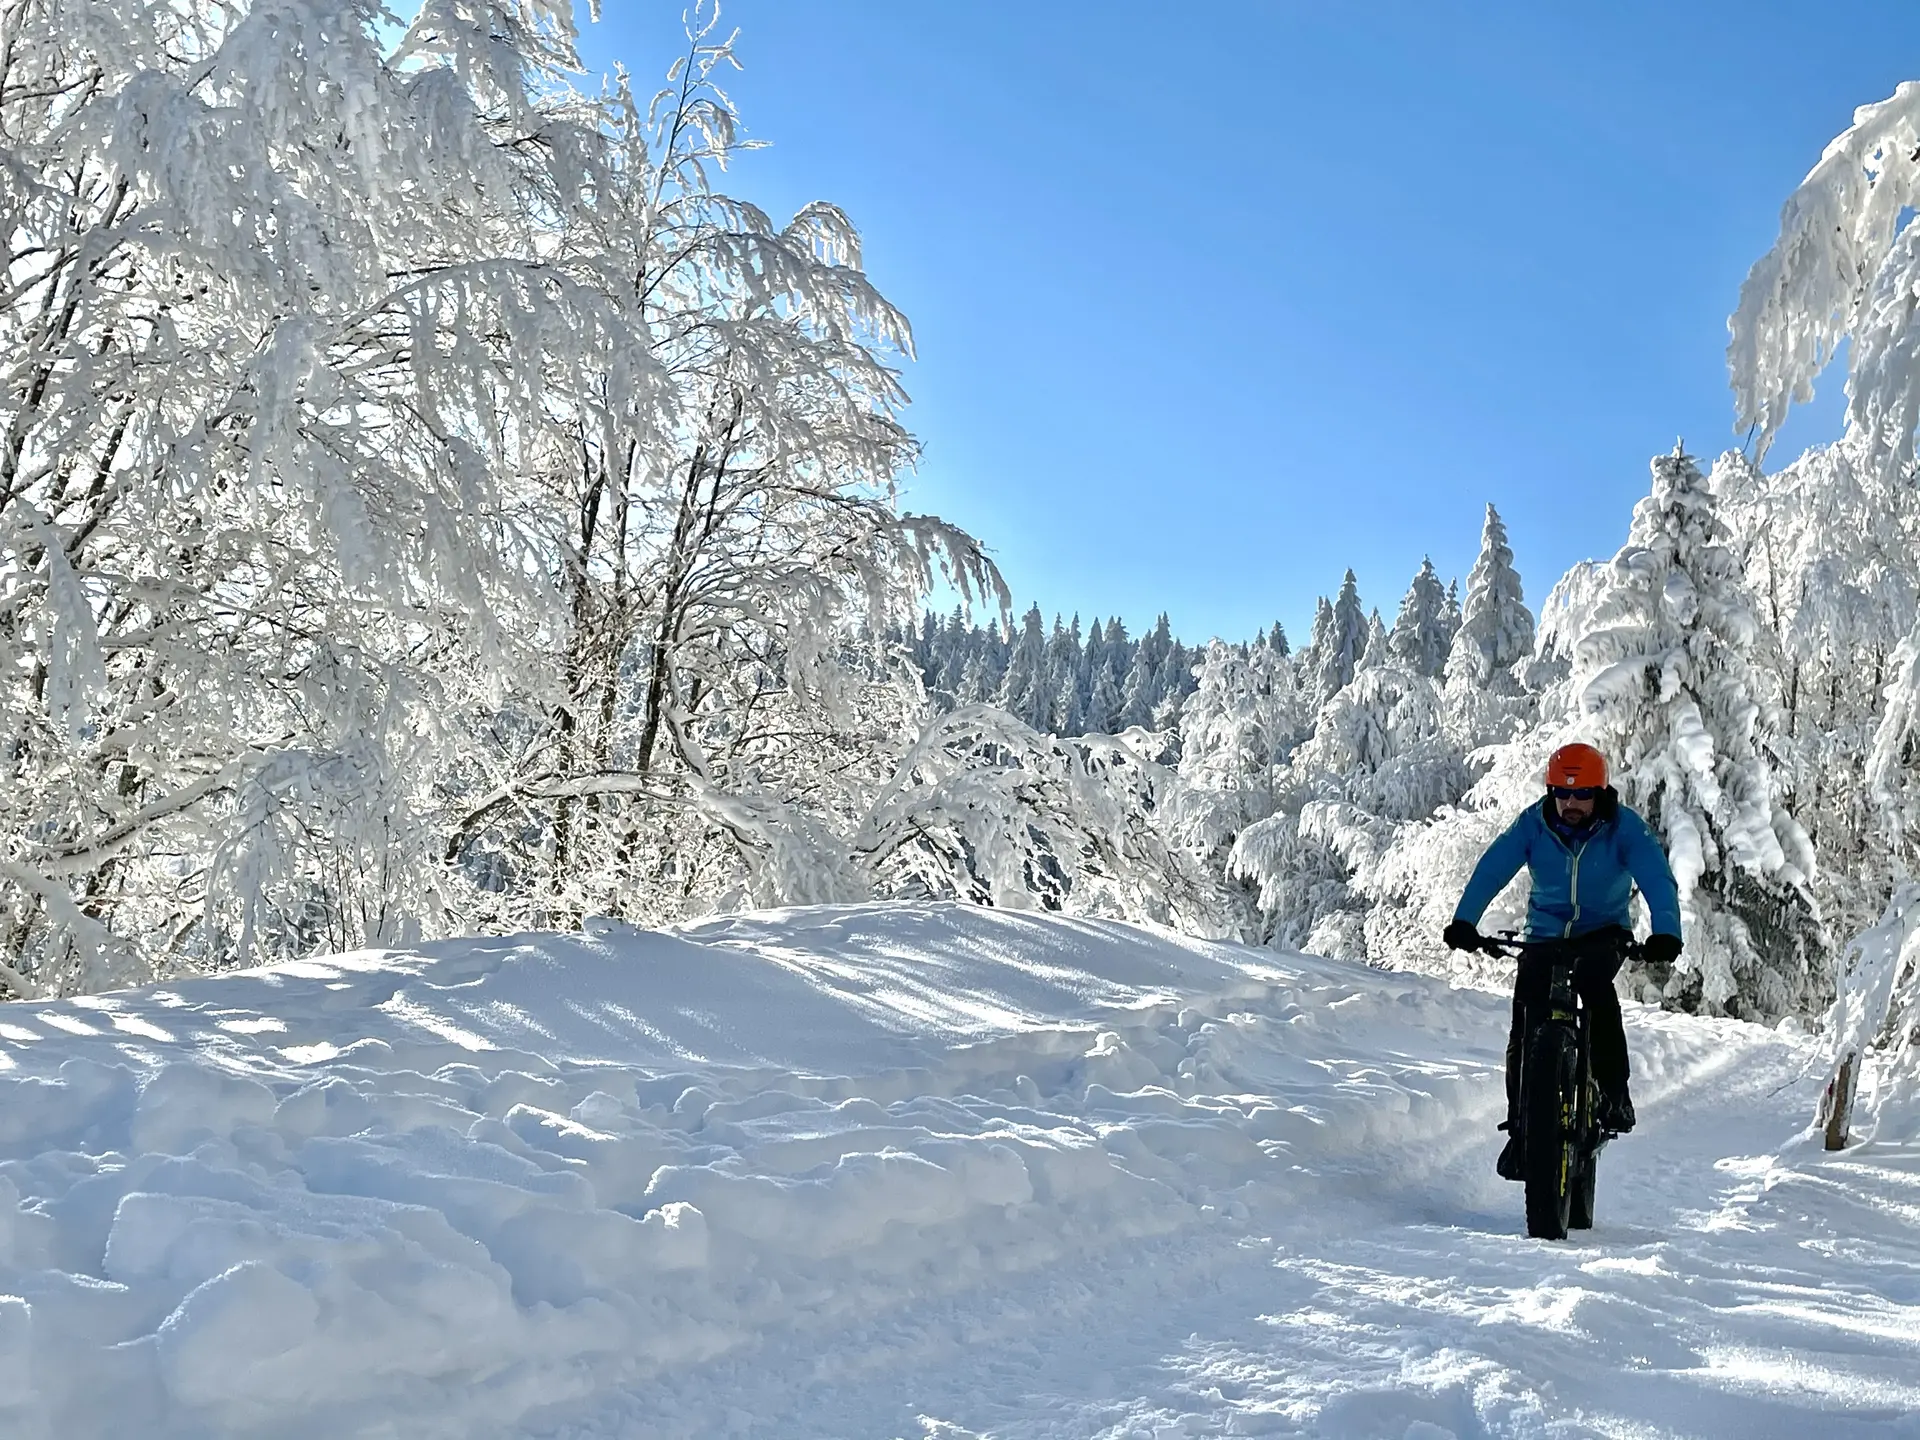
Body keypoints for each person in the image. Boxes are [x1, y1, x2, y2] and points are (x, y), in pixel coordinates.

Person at [1442, 742, 1682, 1180]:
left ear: (1600, 792)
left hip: (1603, 933)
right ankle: (1523, 1128)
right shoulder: (1533, 825)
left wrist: (1667, 931)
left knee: (1595, 986)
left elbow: (1657, 878)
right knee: (1527, 1014)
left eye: (1583, 794)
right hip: (1545, 934)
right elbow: (1493, 868)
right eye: (1562, 793)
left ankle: (1613, 1095)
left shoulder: (1623, 828)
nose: (1571, 804)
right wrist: (1464, 921)